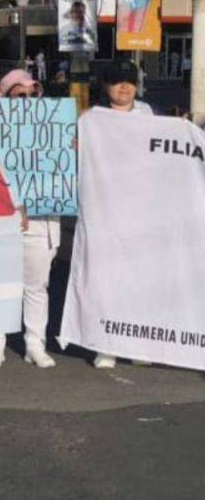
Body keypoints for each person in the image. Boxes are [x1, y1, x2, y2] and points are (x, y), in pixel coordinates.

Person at [0, 69, 56, 370]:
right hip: (4, 217)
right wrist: (17, 204)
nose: (26, 100)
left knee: (36, 286)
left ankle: (35, 344)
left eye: (31, 94)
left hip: (42, 219)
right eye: (18, 95)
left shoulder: (55, 127)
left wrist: (72, 151)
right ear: (6, 99)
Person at [92, 60, 154, 369]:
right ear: (106, 86)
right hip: (105, 211)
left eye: (130, 80)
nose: (124, 87)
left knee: (140, 279)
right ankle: (107, 345)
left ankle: (139, 343)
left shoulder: (150, 115)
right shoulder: (93, 118)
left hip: (142, 211)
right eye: (117, 81)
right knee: (108, 280)